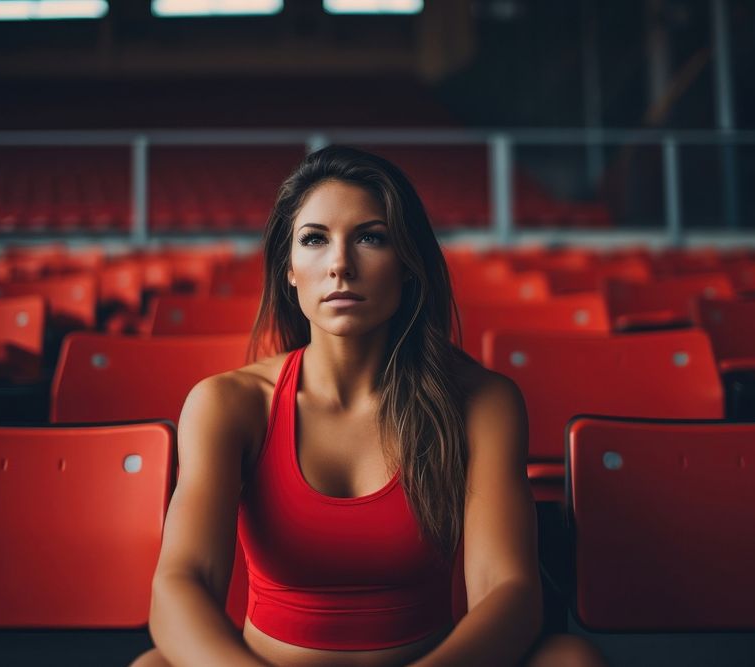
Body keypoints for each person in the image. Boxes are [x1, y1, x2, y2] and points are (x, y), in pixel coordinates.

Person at [131, 146, 607, 667]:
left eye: (370, 237)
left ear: (407, 263)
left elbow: (508, 591)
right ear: (288, 269)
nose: (340, 265)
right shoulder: (228, 404)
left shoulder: (482, 402)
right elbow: (181, 584)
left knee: (571, 660)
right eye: (314, 239)